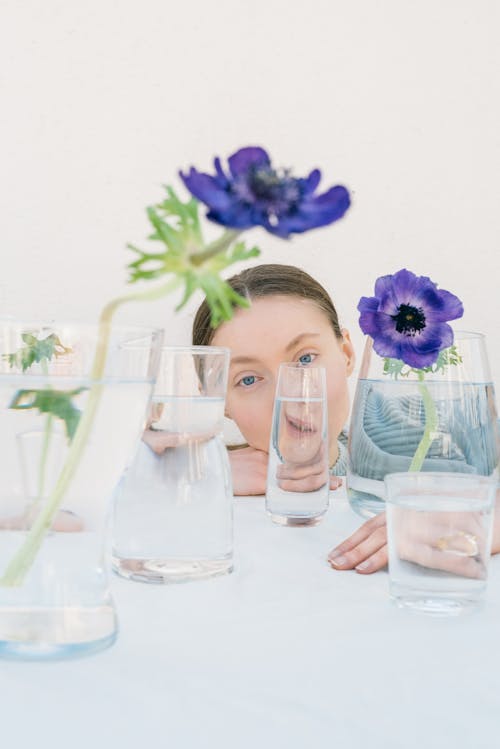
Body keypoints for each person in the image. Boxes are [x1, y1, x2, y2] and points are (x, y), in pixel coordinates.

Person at [192, 262, 500, 575]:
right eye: (248, 379)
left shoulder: (434, 422)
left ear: (347, 354)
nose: (292, 394)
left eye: (306, 358)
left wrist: (491, 519)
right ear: (216, 399)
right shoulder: (201, 473)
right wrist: (198, 472)